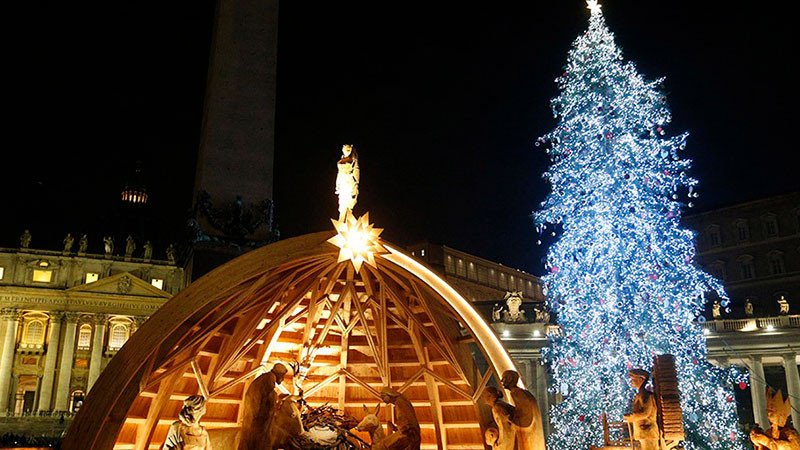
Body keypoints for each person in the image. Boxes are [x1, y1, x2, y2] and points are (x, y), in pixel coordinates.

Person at [238, 363, 288, 450]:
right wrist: (278, 398)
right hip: (257, 421)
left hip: (253, 418)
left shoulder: (266, 378)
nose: (283, 379)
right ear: (279, 374)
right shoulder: (268, 379)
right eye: (283, 376)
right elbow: (268, 400)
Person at [501, 370, 546, 450]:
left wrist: (511, 419)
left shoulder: (516, 393)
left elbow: (525, 415)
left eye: (503, 378)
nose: (501, 381)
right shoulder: (522, 392)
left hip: (528, 435)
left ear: (510, 379)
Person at [623, 369, 659, 450]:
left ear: (641, 380)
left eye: (633, 380)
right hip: (644, 432)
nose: (631, 382)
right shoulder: (640, 394)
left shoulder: (645, 395)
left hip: (648, 432)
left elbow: (645, 413)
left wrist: (631, 417)